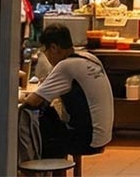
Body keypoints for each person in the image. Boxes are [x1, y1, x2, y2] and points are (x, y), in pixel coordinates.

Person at [19, 25, 113, 161]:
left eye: (46, 53)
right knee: (50, 117)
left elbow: (32, 101)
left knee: (38, 119)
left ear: (54, 48)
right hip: (103, 136)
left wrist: (20, 98)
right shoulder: (90, 57)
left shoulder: (65, 66)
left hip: (87, 139)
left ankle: (38, 171)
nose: (48, 58)